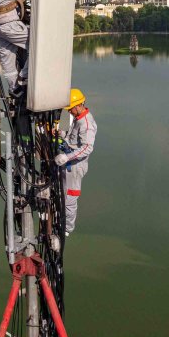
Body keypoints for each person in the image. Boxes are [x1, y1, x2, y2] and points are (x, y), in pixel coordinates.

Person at [55, 88, 97, 234]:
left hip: (76, 166)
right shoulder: (78, 118)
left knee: (70, 199)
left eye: (70, 108)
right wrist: (63, 134)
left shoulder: (87, 124)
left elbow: (87, 147)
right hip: (69, 162)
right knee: (62, 192)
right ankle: (59, 217)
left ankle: (67, 228)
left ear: (78, 105)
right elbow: (74, 138)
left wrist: (67, 157)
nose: (69, 111)